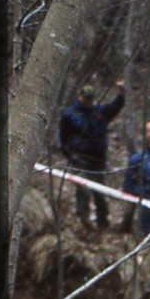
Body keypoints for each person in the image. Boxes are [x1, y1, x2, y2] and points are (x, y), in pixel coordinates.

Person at [58, 79, 126, 229]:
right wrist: (70, 156)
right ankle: (83, 221)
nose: (89, 101)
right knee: (83, 190)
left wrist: (121, 94)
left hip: (98, 160)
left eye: (91, 98)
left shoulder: (100, 112)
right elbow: (62, 138)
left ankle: (103, 221)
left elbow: (115, 107)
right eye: (86, 98)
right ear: (80, 97)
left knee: (99, 193)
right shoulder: (69, 114)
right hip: (79, 159)